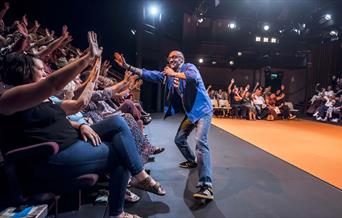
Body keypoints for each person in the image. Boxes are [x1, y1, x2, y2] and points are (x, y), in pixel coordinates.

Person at [0, 32, 165, 218]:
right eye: (40, 69)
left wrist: (80, 126)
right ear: (24, 71)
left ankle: (138, 178)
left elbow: (74, 107)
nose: (45, 72)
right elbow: (53, 83)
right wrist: (87, 58)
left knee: (118, 122)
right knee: (121, 155)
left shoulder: (42, 98)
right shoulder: (8, 98)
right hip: (52, 157)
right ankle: (121, 207)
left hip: (72, 141)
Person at [114, 50, 214, 200]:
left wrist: (172, 74)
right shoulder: (168, 74)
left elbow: (192, 78)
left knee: (200, 142)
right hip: (191, 114)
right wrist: (127, 66)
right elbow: (149, 74)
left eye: (174, 57)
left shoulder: (189, 67)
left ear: (182, 59)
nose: (171, 59)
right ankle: (192, 161)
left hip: (203, 111)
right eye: (169, 57)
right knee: (179, 139)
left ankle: (206, 186)